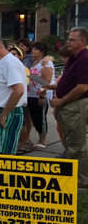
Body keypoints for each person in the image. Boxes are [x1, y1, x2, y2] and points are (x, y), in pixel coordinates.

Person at [50, 27, 88, 188]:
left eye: (72, 40)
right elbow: (68, 82)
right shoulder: (73, 58)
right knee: (69, 143)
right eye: (68, 39)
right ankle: (73, 175)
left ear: (82, 41)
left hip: (75, 106)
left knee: (77, 146)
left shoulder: (84, 58)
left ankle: (81, 181)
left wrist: (61, 100)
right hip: (67, 106)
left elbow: (82, 87)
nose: (68, 42)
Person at [26, 42, 55, 150]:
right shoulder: (35, 62)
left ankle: (43, 141)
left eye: (36, 49)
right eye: (33, 48)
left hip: (40, 95)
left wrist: (42, 96)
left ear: (42, 52)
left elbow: (46, 81)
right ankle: (39, 139)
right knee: (35, 117)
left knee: (40, 118)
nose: (33, 50)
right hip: (31, 94)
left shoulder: (45, 63)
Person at [8, 46, 32, 155]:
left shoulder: (23, 68)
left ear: (20, 56)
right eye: (10, 54)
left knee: (21, 124)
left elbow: (24, 84)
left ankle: (22, 145)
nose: (11, 56)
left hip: (19, 100)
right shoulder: (7, 67)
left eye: (14, 54)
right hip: (8, 100)